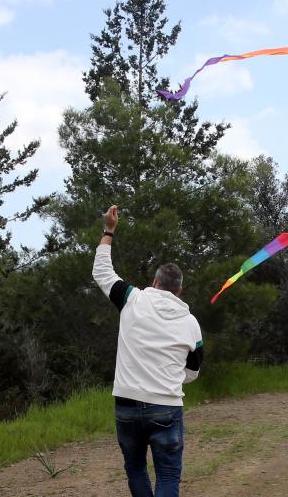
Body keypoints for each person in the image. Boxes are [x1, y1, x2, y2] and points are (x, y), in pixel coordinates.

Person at [92, 205, 202, 497]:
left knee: (136, 469)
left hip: (126, 404)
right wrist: (168, 379)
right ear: (179, 290)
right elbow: (192, 372)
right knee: (168, 475)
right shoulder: (191, 323)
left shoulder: (132, 299)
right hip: (166, 405)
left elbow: (102, 271)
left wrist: (109, 230)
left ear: (155, 282)